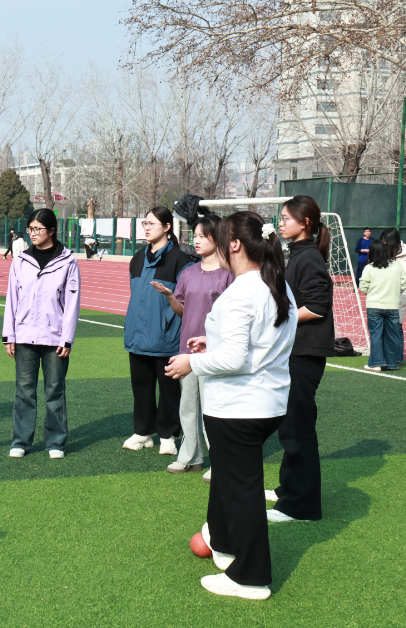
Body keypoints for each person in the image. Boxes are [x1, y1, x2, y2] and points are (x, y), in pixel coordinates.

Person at [165, 211, 297, 601]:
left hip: (239, 408)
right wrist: (214, 342)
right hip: (266, 403)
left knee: (242, 490)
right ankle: (221, 541)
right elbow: (261, 341)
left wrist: (193, 362)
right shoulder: (276, 285)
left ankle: (251, 577)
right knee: (226, 478)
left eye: (219, 238)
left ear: (234, 245)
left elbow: (237, 358)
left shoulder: (242, 291)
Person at [269, 196, 335, 523]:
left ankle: (300, 507)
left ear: (305, 222)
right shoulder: (299, 254)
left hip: (305, 355)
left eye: (286, 218)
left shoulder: (308, 257)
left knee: (298, 430)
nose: (281, 223)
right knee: (291, 427)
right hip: (295, 352)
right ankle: (288, 490)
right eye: (280, 218)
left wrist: (282, 318)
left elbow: (318, 305)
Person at [153, 215, 233, 478]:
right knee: (187, 406)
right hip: (187, 351)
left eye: (203, 236)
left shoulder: (229, 275)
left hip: (215, 352)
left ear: (218, 238)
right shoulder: (188, 273)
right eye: (195, 235)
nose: (196, 241)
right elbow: (182, 311)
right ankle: (190, 457)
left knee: (213, 408)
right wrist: (169, 296)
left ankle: (220, 461)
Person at [2, 209, 81, 459]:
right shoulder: (20, 260)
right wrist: (9, 335)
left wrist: (67, 339)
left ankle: (55, 442)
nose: (33, 233)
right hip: (24, 335)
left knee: (54, 390)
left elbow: (72, 303)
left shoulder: (68, 261)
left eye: (38, 229)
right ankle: (20, 441)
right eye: (30, 229)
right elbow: (12, 298)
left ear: (52, 230)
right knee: (24, 391)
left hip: (55, 337)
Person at [122, 207, 194, 455]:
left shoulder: (180, 260)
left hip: (166, 338)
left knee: (168, 390)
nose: (147, 228)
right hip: (137, 336)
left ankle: (167, 434)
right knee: (141, 387)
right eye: (145, 223)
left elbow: (185, 302)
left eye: (152, 223)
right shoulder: (137, 258)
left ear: (167, 227)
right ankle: (143, 432)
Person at [359, 239, 406, 372]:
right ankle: (392, 363)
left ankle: (375, 363)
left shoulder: (369, 267)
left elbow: (363, 286)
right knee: (392, 335)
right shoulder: (396, 266)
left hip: (374, 305)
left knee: (376, 335)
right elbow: (403, 284)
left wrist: (371, 292)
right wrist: (394, 292)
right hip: (392, 305)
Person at [380, 228, 406, 364]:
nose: (383, 244)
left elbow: (400, 279)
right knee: (386, 327)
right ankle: (387, 355)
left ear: (392, 242)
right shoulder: (387, 253)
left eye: (385, 242)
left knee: (396, 327)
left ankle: (398, 357)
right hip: (385, 296)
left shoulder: (405, 259)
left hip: (399, 297)